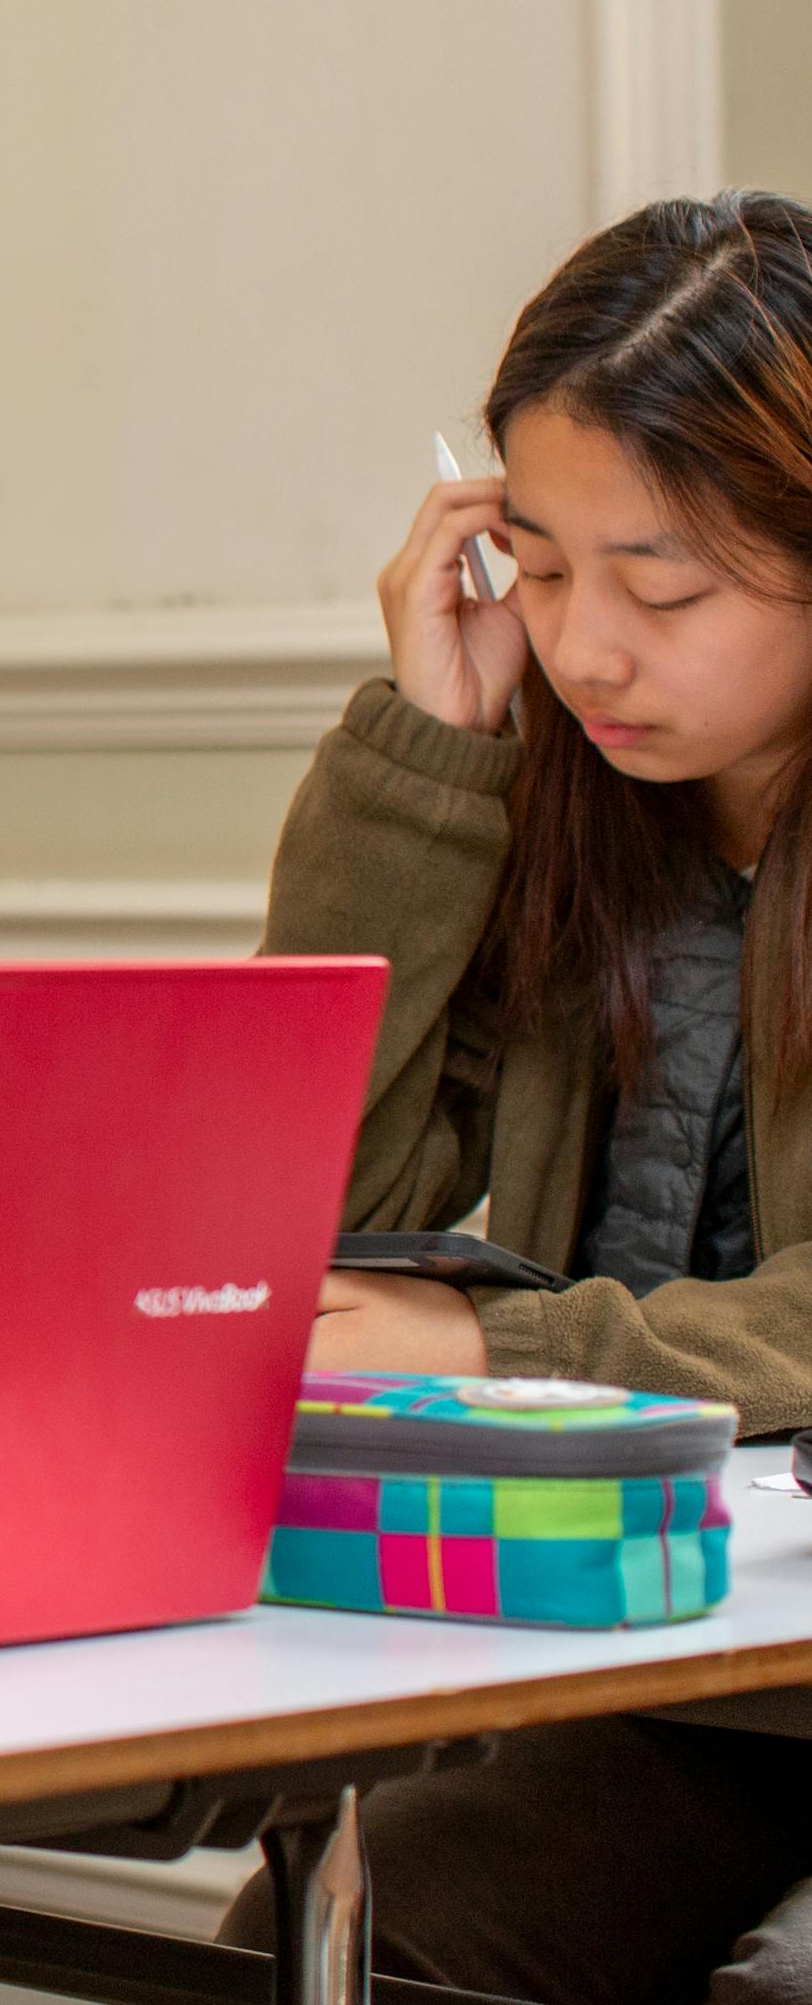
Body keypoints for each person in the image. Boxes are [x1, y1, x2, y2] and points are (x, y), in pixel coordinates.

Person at [221, 192, 812, 2000]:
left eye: (666, 585)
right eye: (543, 568)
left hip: (751, 1659)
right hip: (631, 1641)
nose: (588, 647)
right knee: (335, 1936)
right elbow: (302, 1203)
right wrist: (430, 757)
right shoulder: (570, 801)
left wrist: (516, 1350)